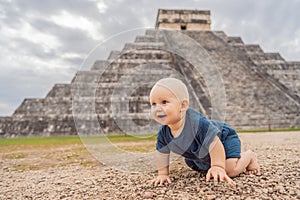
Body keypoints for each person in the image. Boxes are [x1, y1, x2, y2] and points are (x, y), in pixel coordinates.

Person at [149, 78, 260, 186]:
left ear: (182, 106)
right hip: (199, 154)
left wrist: (218, 166)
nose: (157, 108)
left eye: (164, 102)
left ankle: (249, 156)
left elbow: (214, 142)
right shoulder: (164, 132)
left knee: (229, 170)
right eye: (153, 104)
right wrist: (162, 174)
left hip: (223, 140)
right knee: (200, 168)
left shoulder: (196, 123)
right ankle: (213, 164)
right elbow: (162, 152)